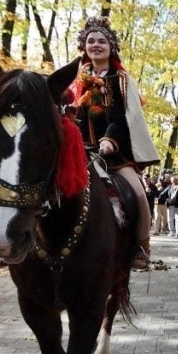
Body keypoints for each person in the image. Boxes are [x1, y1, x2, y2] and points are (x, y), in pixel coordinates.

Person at [67, 16, 160, 270]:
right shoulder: (78, 80)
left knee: (140, 195)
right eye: (90, 41)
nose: (96, 45)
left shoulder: (121, 79)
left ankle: (141, 245)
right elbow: (74, 114)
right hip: (82, 151)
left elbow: (121, 116)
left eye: (101, 41)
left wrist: (109, 140)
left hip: (115, 154)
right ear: (84, 47)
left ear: (111, 46)